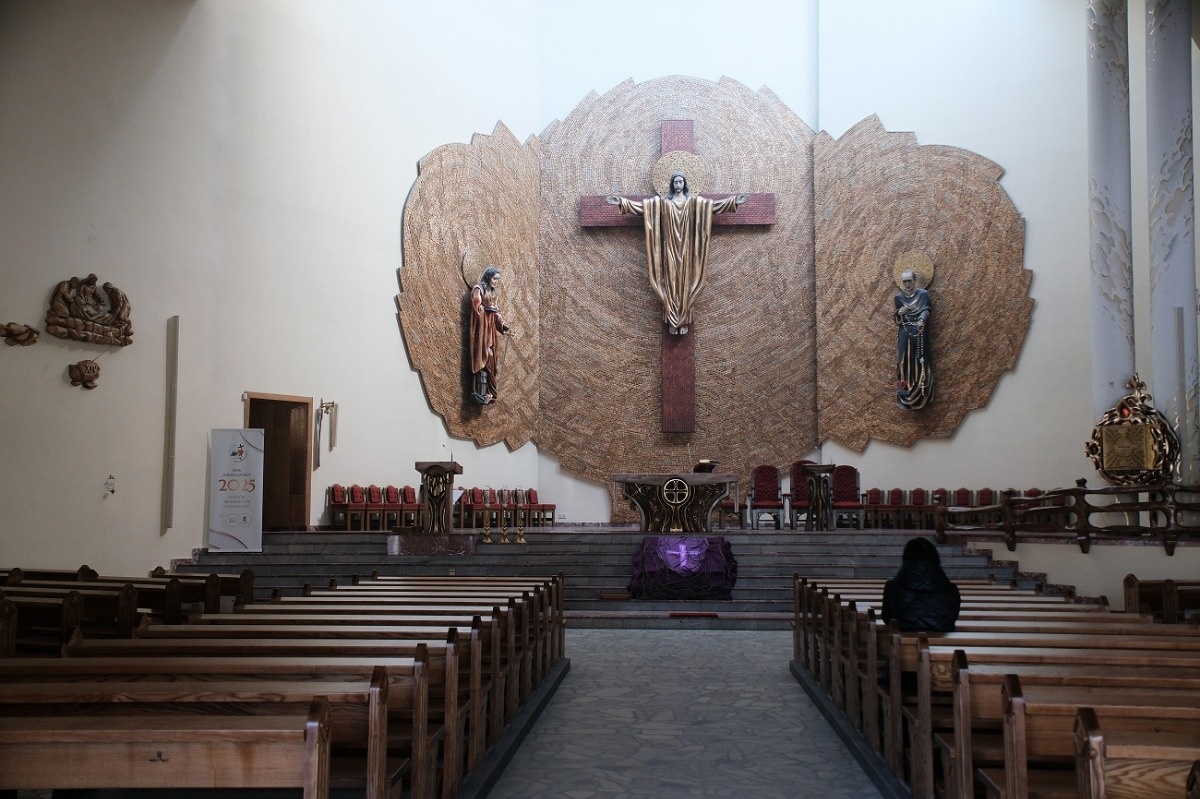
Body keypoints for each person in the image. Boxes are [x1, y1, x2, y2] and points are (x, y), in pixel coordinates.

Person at [607, 173, 746, 335]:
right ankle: (672, 320)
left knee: (686, 284)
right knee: (671, 284)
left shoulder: (693, 202)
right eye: (675, 182)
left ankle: (684, 319)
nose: (678, 184)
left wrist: (733, 202)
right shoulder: (663, 203)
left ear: (684, 183)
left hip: (687, 249)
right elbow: (643, 209)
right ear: (672, 184)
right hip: (669, 248)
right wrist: (623, 203)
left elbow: (711, 207)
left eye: (680, 181)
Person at [881, 536, 960, 632]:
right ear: (935, 557)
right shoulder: (950, 589)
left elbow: (887, 618)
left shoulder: (892, 588)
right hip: (944, 645)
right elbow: (952, 617)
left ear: (906, 557)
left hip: (903, 643)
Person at [468, 266, 510, 405]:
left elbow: (496, 312)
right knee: (483, 358)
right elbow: (477, 307)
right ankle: (479, 391)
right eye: (494, 279)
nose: (496, 282)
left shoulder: (492, 294)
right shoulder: (478, 289)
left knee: (491, 360)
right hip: (481, 332)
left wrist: (503, 325)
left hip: (490, 332)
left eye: (498, 280)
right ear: (488, 276)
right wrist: (487, 310)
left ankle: (489, 393)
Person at [894, 268, 933, 409]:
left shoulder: (923, 294)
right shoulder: (898, 297)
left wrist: (922, 319)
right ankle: (903, 392)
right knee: (902, 362)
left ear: (915, 280)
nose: (907, 284)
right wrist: (899, 312)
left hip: (918, 329)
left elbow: (925, 309)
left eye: (909, 281)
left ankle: (922, 392)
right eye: (904, 282)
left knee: (920, 359)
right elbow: (897, 316)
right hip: (904, 331)